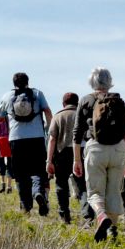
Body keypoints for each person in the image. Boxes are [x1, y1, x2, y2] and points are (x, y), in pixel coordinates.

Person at [72, 68, 125, 242]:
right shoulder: (119, 101)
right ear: (109, 82)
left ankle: (100, 215)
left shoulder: (86, 100)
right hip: (118, 150)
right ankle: (112, 230)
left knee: (95, 192)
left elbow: (77, 133)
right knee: (114, 190)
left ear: (92, 82)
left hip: (95, 149)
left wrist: (77, 159)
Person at [0, 72, 52, 215]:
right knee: (38, 170)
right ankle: (37, 193)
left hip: (16, 139)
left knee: (21, 174)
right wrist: (48, 128)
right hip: (37, 138)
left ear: (13, 83)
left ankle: (26, 206)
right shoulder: (37, 94)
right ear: (28, 81)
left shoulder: (7, 96)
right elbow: (47, 111)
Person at [45, 92, 80, 224]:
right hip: (81, 152)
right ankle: (88, 214)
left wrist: (49, 160)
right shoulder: (82, 115)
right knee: (82, 185)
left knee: (61, 184)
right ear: (77, 103)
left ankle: (64, 213)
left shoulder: (58, 116)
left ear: (63, 103)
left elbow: (52, 139)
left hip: (62, 153)